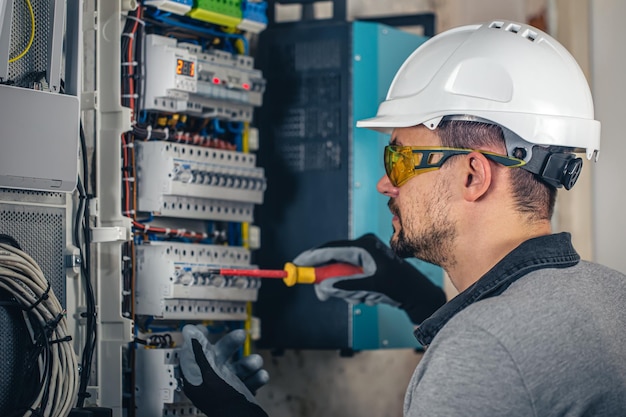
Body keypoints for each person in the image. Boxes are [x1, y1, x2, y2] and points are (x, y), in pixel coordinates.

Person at [179, 19, 626, 416]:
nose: (385, 184)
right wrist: (419, 300)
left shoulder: (482, 349)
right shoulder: (612, 295)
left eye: (399, 161)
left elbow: (499, 359)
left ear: (473, 175)